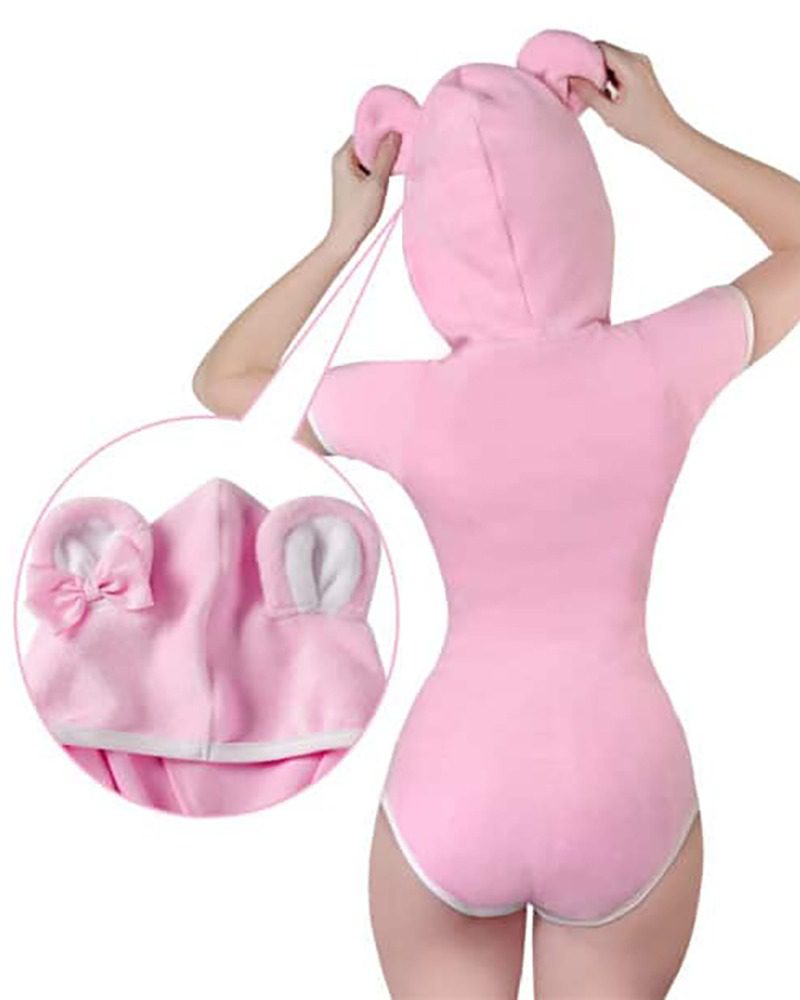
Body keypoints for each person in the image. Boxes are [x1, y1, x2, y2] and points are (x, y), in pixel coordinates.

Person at [194, 39, 800, 1000]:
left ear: (432, 240)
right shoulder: (660, 362)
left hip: (455, 780)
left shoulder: (410, 401)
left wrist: (343, 236)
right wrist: (663, 132)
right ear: (581, 205)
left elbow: (225, 380)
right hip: (620, 775)